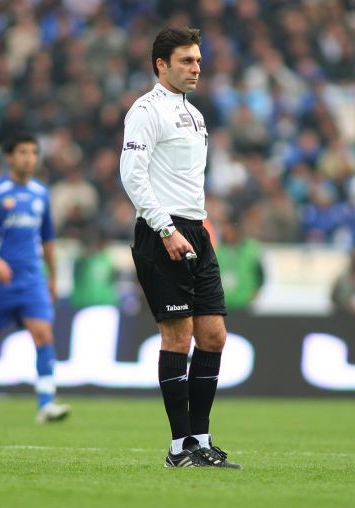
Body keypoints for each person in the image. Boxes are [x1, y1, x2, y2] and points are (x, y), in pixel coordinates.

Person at [120, 27, 240, 469]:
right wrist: (166, 228)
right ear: (161, 65)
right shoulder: (145, 110)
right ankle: (179, 448)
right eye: (187, 61)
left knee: (214, 335)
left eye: (198, 61)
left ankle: (201, 440)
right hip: (162, 231)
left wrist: (201, 226)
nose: (196, 68)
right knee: (177, 336)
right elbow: (132, 175)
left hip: (196, 230)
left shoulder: (196, 115)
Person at [0, 133, 70, 425]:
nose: (29, 158)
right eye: (23, 152)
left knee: (44, 334)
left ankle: (46, 403)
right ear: (10, 157)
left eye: (34, 153)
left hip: (31, 279)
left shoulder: (41, 193)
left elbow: (48, 240)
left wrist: (53, 276)